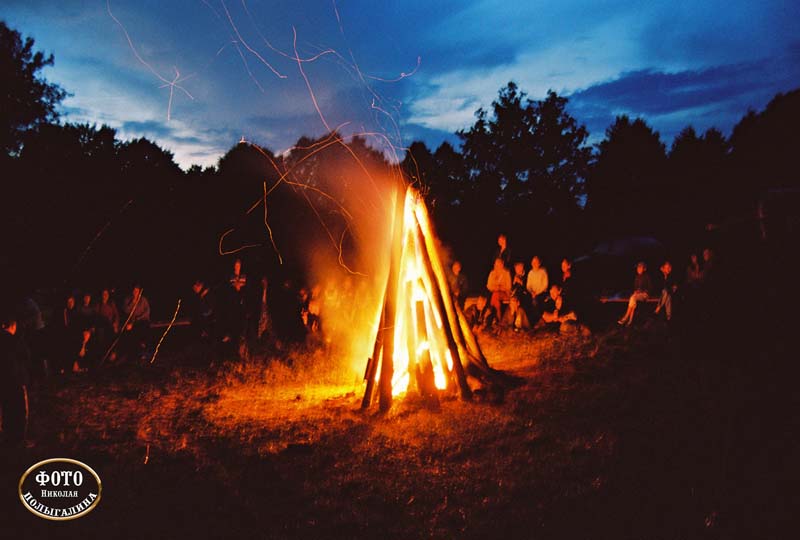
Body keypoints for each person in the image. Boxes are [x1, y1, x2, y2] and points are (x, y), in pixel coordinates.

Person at [0, 315, 30, 445]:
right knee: (19, 410)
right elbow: (26, 355)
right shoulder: (14, 340)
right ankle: (18, 439)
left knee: (6, 408)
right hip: (15, 380)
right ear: (13, 326)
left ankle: (6, 436)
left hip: (3, 380)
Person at [617, 262, 653, 326]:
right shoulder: (637, 277)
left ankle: (625, 317)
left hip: (645, 295)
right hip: (637, 295)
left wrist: (642, 291)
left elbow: (650, 288)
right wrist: (636, 291)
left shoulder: (647, 277)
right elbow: (635, 288)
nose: (638, 269)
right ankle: (629, 322)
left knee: (632, 298)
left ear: (644, 269)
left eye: (640, 267)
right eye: (638, 268)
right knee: (633, 301)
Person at [122, 285, 151, 359]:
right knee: (130, 330)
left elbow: (147, 311)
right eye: (134, 291)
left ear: (139, 292)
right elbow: (126, 311)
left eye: (137, 291)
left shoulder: (143, 300)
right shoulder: (128, 300)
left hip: (142, 320)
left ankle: (144, 351)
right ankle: (134, 352)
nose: (135, 292)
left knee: (143, 327)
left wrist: (139, 318)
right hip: (132, 321)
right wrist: (132, 302)